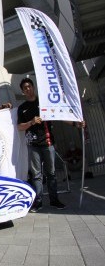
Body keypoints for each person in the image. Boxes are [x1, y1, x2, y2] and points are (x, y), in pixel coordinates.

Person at [17, 78, 84, 211]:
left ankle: (54, 200)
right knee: (36, 175)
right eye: (25, 88)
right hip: (33, 145)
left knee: (51, 173)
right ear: (22, 91)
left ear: (33, 87)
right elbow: (20, 127)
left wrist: (76, 124)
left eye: (29, 86)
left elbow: (58, 116)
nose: (28, 89)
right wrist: (31, 122)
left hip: (48, 143)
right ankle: (39, 201)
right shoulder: (22, 108)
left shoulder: (44, 102)